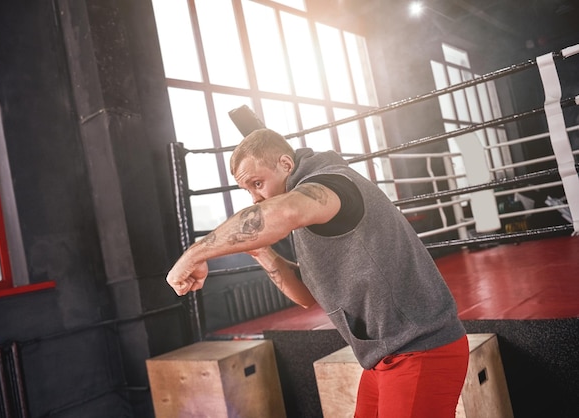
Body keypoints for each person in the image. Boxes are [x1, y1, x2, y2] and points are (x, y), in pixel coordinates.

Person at [166, 128, 469, 417]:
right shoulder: (309, 216)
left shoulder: (333, 185)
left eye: (258, 183)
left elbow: (281, 212)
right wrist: (260, 251)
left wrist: (194, 253)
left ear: (286, 163)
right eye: (248, 190)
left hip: (420, 349)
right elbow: (306, 297)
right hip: (384, 355)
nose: (255, 198)